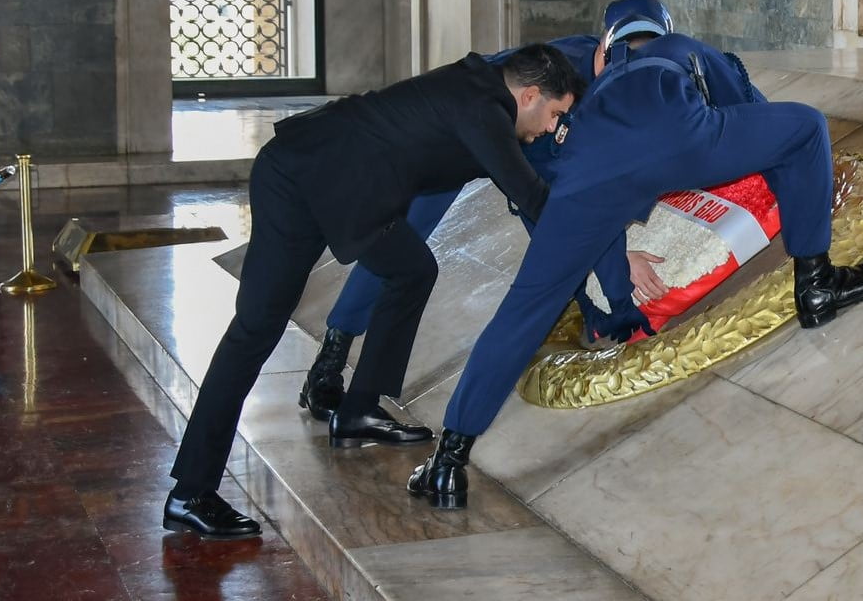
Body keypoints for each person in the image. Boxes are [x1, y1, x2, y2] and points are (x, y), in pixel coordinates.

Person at [406, 0, 863, 509]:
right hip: (688, 138)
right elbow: (754, 115)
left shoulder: (587, 102)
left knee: (522, 312)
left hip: (592, 173)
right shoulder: (686, 49)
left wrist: (613, 294)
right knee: (806, 126)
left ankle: (449, 461)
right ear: (660, 30)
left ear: (605, 50)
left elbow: (571, 198)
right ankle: (816, 287)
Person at [162, 46, 584, 540]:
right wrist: (606, 247)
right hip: (298, 178)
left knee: (412, 270)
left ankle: (359, 407)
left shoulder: (483, 90)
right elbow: (531, 195)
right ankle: (191, 492)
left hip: (347, 191)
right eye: (553, 114)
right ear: (529, 94)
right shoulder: (482, 109)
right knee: (255, 331)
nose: (548, 128)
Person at [296, 29, 653, 423]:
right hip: (456, 139)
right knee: (398, 237)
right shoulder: (554, 81)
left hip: (496, 140)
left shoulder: (593, 91)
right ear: (605, 47)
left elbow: (558, 202)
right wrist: (608, 265)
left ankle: (351, 389)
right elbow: (546, 206)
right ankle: (329, 362)